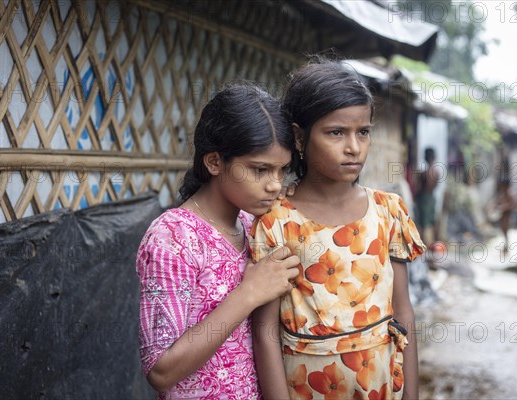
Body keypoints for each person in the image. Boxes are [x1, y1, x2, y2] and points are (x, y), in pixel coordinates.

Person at [250, 58, 426, 400]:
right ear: (300, 136)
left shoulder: (388, 211)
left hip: (382, 387)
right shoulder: (277, 223)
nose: (353, 147)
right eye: (336, 133)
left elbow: (403, 310)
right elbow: (264, 331)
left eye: (363, 132)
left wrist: (412, 394)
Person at [136, 83, 301, 399]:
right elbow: (161, 370)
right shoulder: (173, 238)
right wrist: (249, 293)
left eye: (282, 170)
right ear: (214, 162)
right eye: (260, 170)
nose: (275, 184)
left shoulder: (252, 226)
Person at [414, 147, 440, 248]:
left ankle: (424, 246)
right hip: (432, 198)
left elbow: (420, 188)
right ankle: (435, 244)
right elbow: (434, 186)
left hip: (424, 199)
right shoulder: (437, 172)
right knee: (432, 221)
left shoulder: (425, 173)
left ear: (426, 157)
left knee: (423, 224)